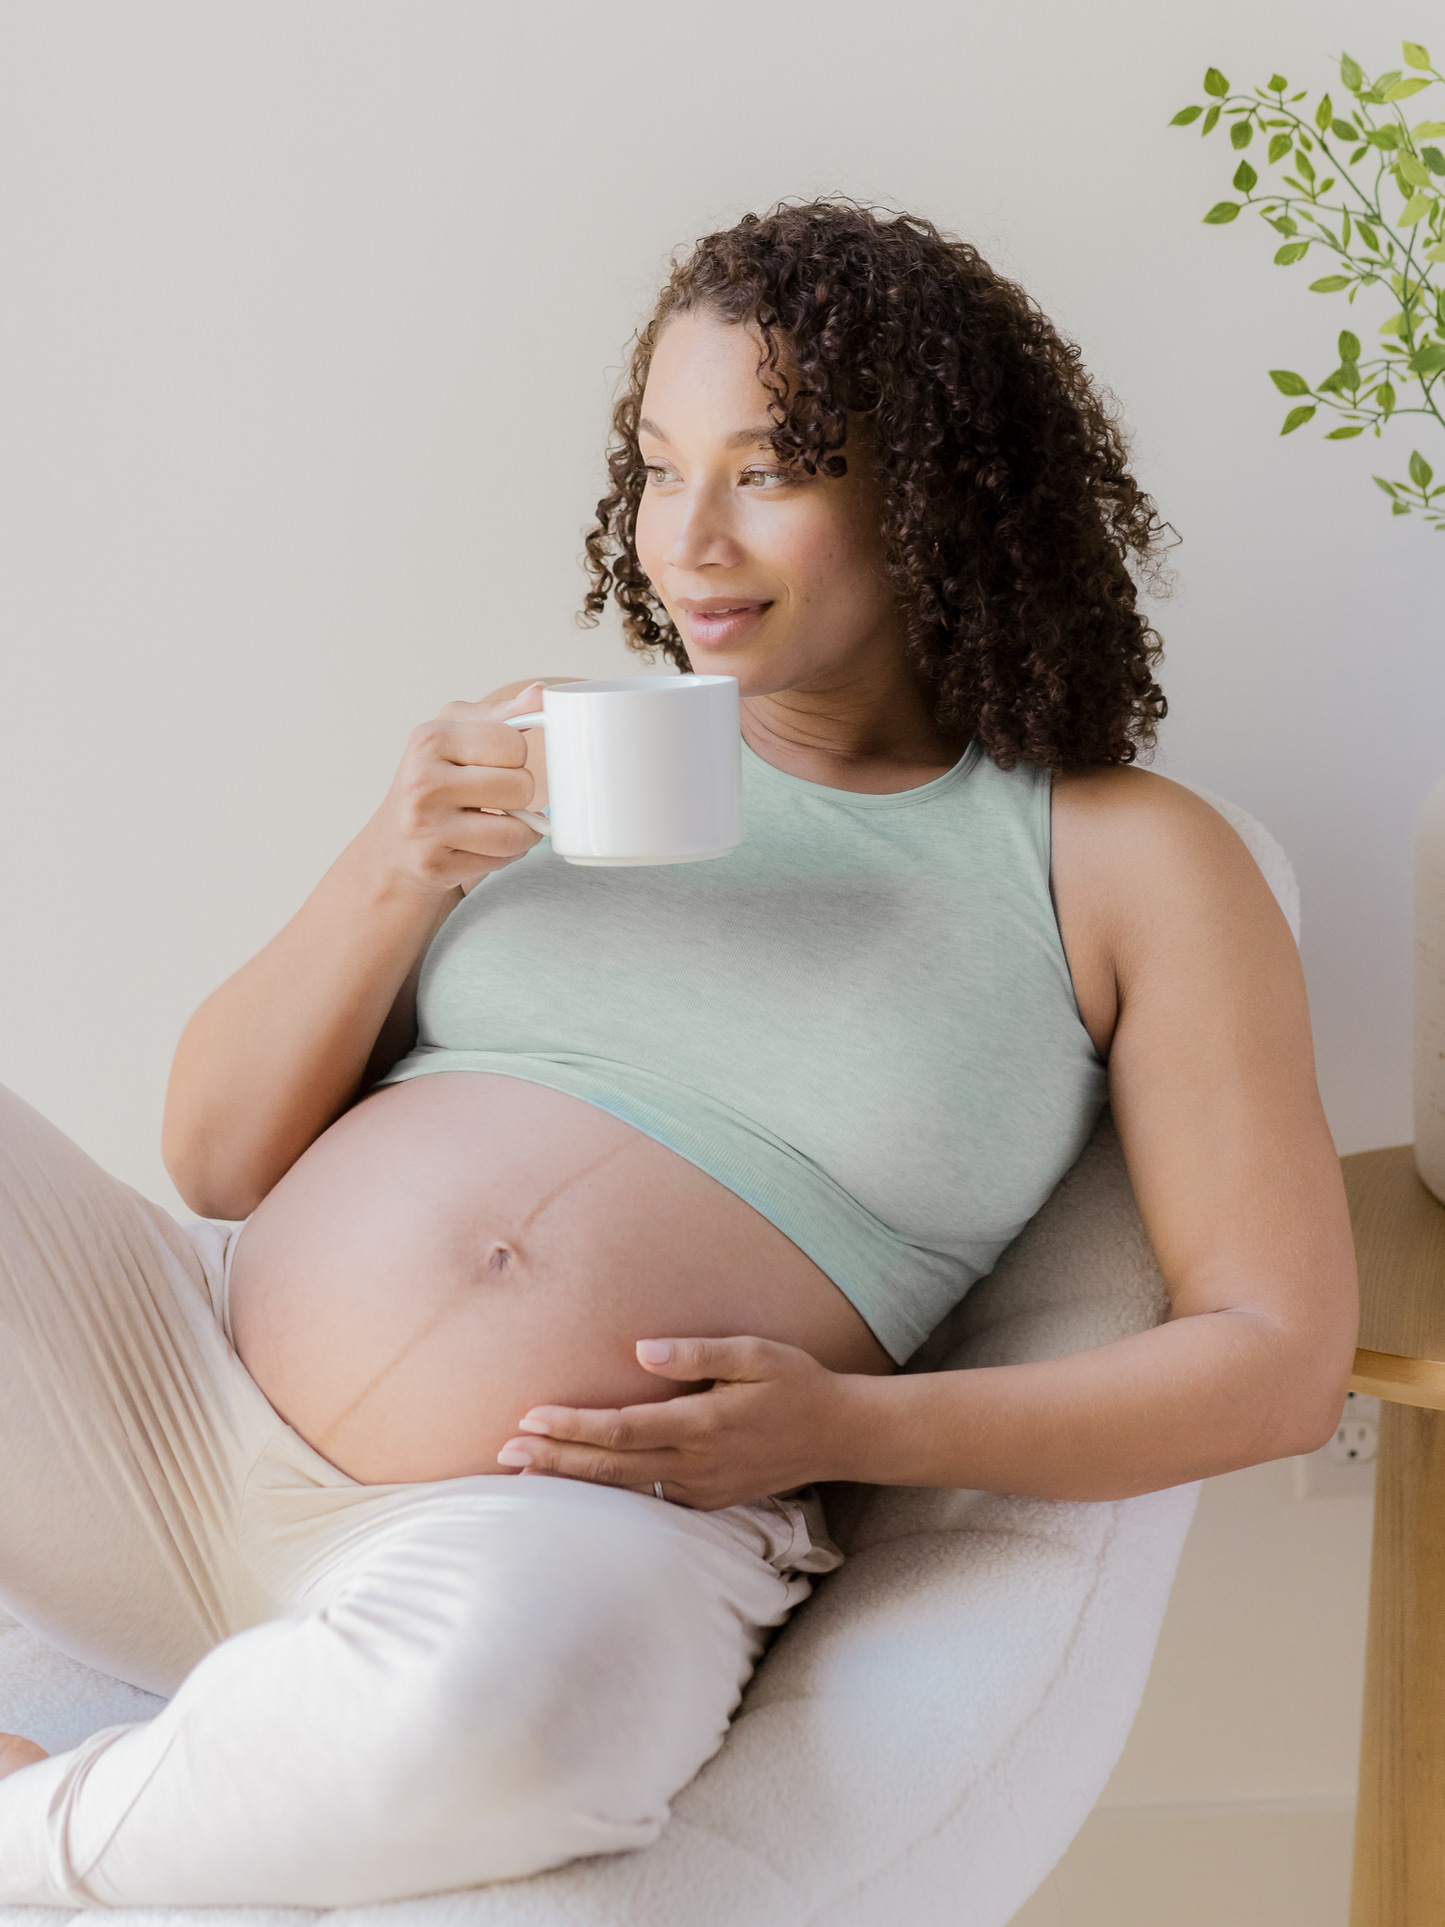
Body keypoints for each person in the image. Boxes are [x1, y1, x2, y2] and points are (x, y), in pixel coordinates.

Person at [0, 200, 1356, 1907]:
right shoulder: (540, 748)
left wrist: (851, 1425)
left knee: (514, 1734)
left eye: (771, 468)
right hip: (162, 1396)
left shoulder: (1125, 856)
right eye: (656, 466)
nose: (687, 540)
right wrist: (389, 861)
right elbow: (209, 1162)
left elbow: (1278, 1355)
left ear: (937, 487)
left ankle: (42, 1836)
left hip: (553, 1537)